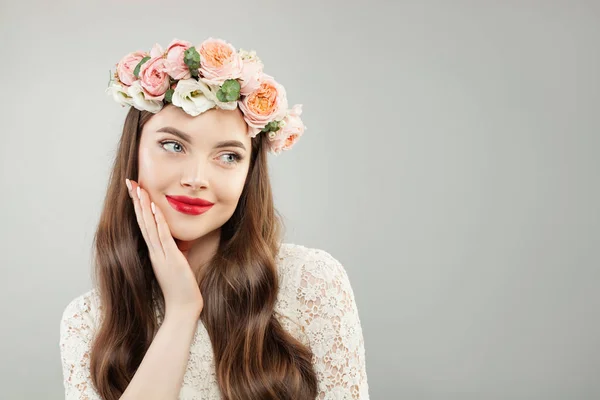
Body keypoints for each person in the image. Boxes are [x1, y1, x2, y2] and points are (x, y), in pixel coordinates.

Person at [59, 37, 369, 400]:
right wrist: (181, 310)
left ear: (249, 174)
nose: (196, 178)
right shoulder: (88, 321)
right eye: (173, 146)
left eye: (228, 157)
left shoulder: (311, 283)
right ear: (134, 153)